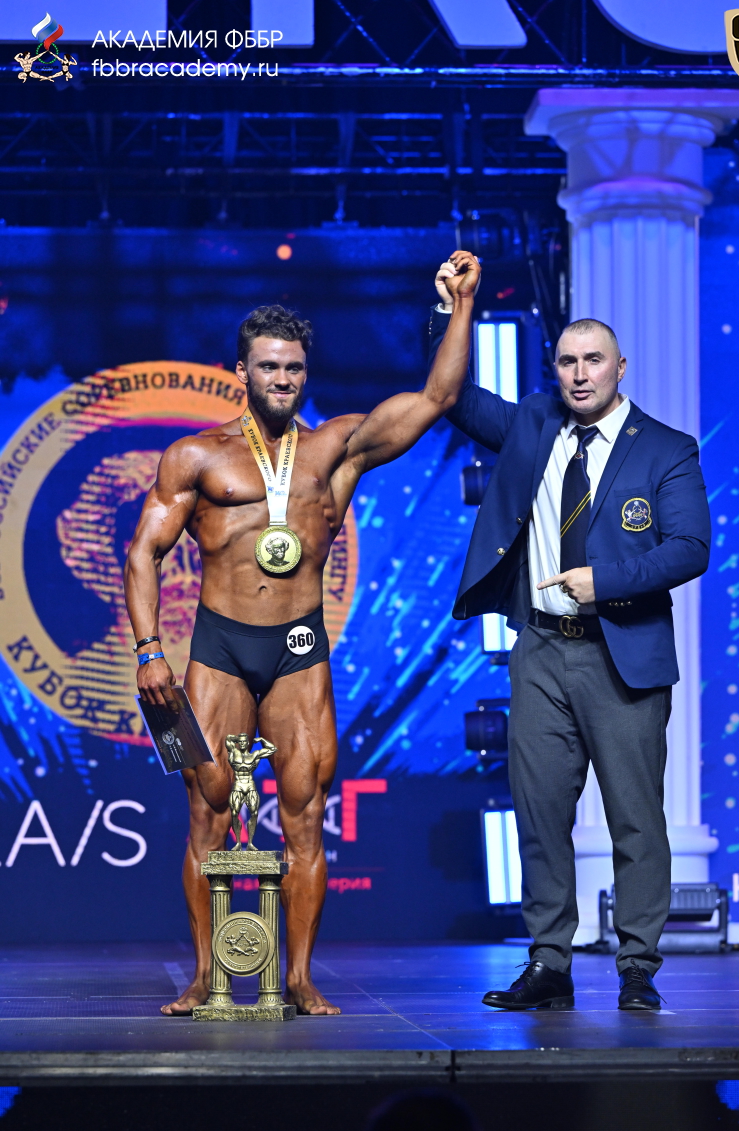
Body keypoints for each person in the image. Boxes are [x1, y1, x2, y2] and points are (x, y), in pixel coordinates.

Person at [125, 250, 481, 1016]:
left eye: (292, 368)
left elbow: (439, 396)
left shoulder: (336, 450)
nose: (282, 379)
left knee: (305, 814)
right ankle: (203, 976)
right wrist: (150, 650)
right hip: (217, 649)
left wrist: (460, 305)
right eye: (268, 367)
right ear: (242, 371)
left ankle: (299, 978)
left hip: (297, 651)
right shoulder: (196, 456)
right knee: (206, 809)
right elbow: (143, 552)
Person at [432, 263, 711, 1011]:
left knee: (636, 821)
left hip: (622, 652)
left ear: (621, 367)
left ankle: (637, 968)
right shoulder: (533, 423)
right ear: (553, 369)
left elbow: (691, 549)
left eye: (593, 360)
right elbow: (452, 397)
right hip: (541, 651)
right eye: (566, 361)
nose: (580, 374)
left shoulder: (667, 448)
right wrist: (451, 312)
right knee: (539, 815)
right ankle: (550, 964)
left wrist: (605, 580)